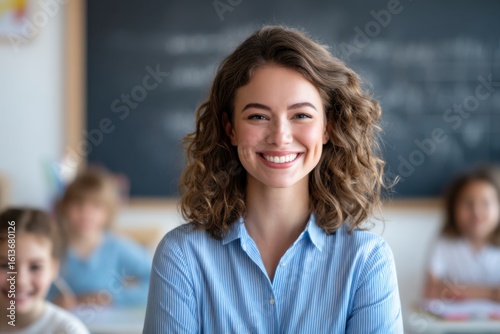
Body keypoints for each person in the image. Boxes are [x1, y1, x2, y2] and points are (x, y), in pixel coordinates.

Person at [143, 25, 403, 333]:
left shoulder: (366, 260)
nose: (280, 137)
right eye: (258, 116)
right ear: (231, 129)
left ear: (327, 127)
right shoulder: (183, 255)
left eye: (301, 115)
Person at [49, 168, 151, 309]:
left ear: (108, 212)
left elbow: (157, 281)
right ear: (65, 207)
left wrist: (112, 298)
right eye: (78, 204)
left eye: (96, 205)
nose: (86, 213)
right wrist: (54, 301)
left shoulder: (117, 247)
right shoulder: (52, 247)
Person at [0, 208, 89, 334]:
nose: (20, 281)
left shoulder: (68, 330)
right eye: (6, 265)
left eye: (35, 267)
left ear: (53, 269)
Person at [424, 165, 500, 302]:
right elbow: (431, 290)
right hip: (453, 323)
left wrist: (456, 290)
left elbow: (440, 290)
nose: (476, 212)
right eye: (468, 203)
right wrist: (492, 292)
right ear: (453, 208)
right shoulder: (444, 242)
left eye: (485, 203)